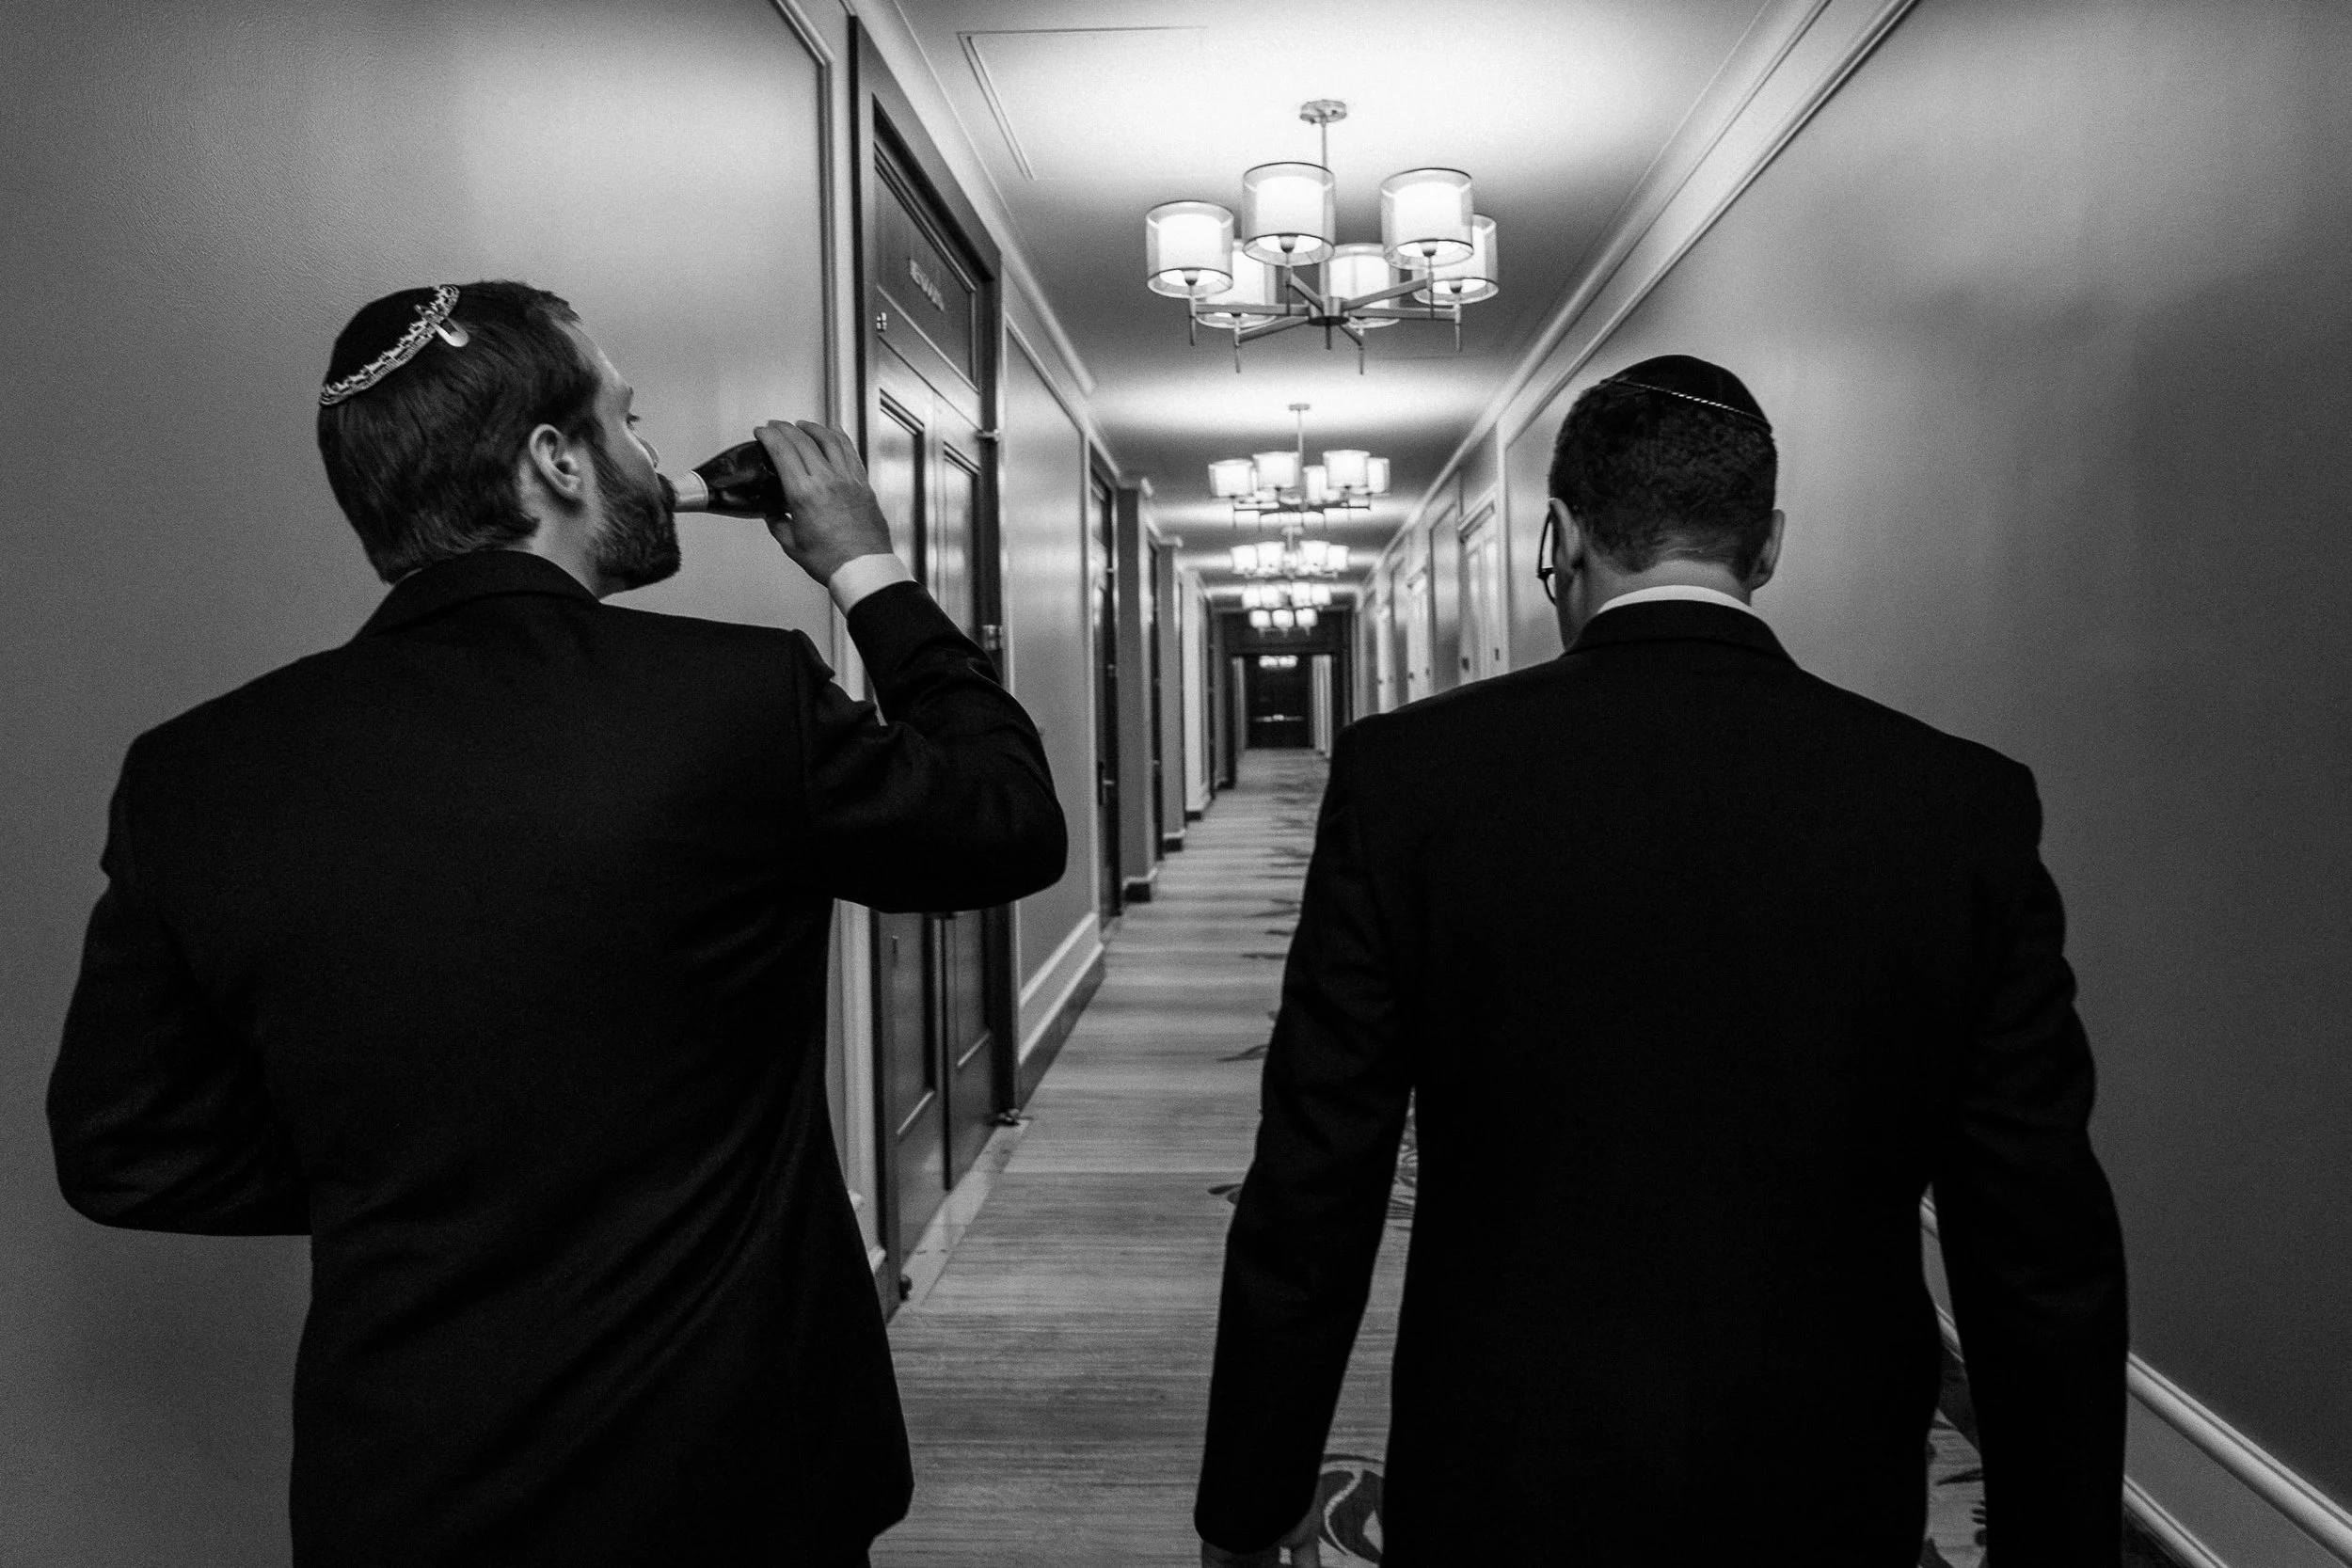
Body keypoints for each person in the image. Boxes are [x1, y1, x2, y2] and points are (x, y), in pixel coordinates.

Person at [47, 280, 1067, 1567]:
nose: (655, 459)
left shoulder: (195, 773)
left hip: (410, 1494)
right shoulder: (729, 705)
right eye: (630, 422)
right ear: (556, 459)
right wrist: (866, 565)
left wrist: (402, 1177)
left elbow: (123, 1151)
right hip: (737, 1475)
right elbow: (1010, 819)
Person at [1194, 356, 2128, 1567]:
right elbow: (2037, 1238)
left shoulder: (1408, 781)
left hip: (1505, 1458)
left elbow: (1316, 1180)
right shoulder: (1959, 808)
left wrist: (1253, 1498)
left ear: (1566, 537)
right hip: (1827, 1468)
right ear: (1770, 544)